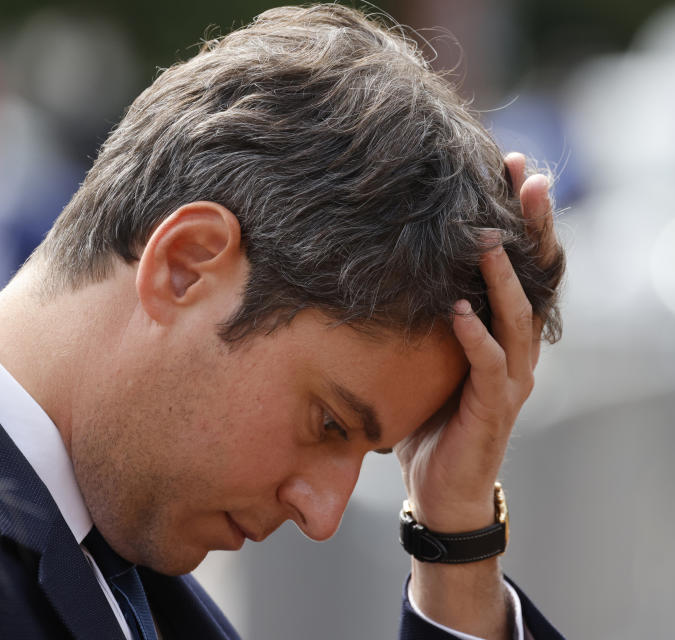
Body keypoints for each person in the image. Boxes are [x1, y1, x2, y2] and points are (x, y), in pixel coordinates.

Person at [0, 5, 565, 640]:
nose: (322, 516)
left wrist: (455, 529)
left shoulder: (133, 568)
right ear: (185, 266)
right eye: (328, 423)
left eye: (371, 454)